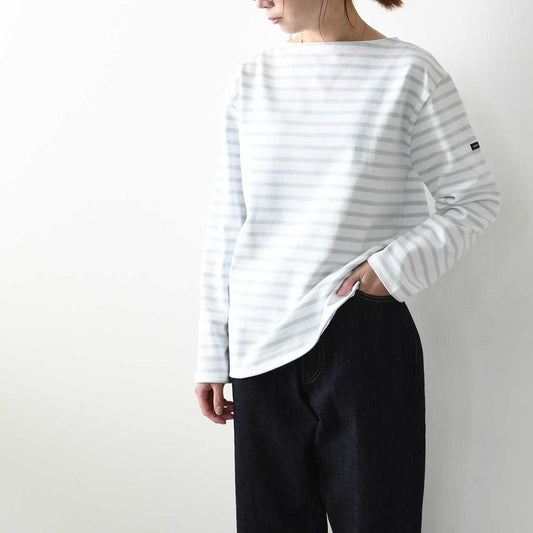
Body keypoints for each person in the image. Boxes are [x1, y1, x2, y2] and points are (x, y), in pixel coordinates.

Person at [194, 0, 501, 530]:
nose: (260, 2)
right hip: (259, 343)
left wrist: (391, 270)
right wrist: (210, 353)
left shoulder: (411, 73)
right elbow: (229, 220)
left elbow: (474, 198)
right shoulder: (253, 80)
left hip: (362, 336)